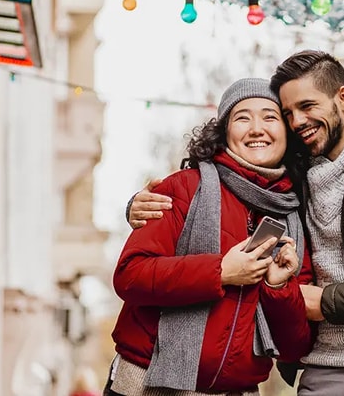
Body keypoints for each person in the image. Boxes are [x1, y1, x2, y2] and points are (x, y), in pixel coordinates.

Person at [128, 50, 344, 396]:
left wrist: (324, 301)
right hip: (321, 367)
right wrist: (135, 205)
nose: (297, 121)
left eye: (306, 106)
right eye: (288, 113)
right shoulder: (295, 174)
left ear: (343, 98)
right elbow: (243, 177)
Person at [107, 78, 314, 396]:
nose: (257, 128)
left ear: (287, 134)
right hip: (147, 384)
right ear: (224, 132)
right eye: (242, 117)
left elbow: (293, 348)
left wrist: (278, 287)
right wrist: (221, 272)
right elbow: (129, 276)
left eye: (270, 117)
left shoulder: (294, 218)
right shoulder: (182, 188)